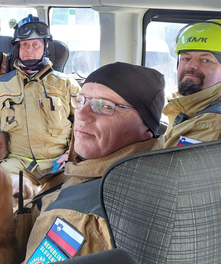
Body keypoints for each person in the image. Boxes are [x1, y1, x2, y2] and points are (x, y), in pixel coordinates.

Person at [22, 62, 165, 263]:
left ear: (145, 128)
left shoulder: (77, 219)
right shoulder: (162, 165)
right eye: (81, 100)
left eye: (105, 106)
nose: (81, 114)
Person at [0, 15, 81, 199]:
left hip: (59, 164)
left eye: (35, 45)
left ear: (45, 47)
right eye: (24, 45)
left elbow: (86, 122)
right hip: (17, 163)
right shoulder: (1, 84)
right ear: (17, 48)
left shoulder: (66, 84)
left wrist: (73, 154)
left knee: (64, 209)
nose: (29, 50)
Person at [163, 20, 221, 148]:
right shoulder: (190, 108)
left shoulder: (209, 124)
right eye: (186, 58)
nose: (190, 65)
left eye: (206, 60)